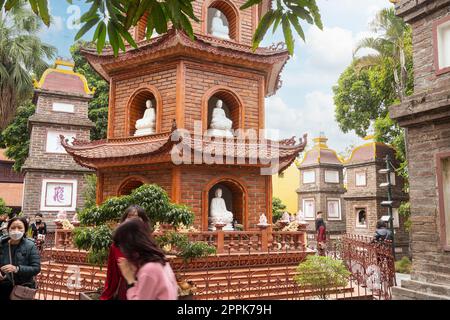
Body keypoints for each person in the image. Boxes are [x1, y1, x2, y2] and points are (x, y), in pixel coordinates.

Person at [114, 218, 178, 300]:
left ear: (129, 246)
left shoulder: (149, 270)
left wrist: (130, 280)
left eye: (121, 247)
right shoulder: (161, 260)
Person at [100, 205, 151, 300]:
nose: (133, 220)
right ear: (123, 222)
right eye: (130, 216)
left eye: (137, 217)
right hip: (125, 294)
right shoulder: (116, 247)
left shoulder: (150, 246)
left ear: (144, 222)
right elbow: (112, 277)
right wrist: (105, 298)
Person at [0, 217, 41, 300]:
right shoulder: (2, 244)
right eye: (13, 227)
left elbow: (36, 268)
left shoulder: (30, 246)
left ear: (25, 230)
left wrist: (17, 269)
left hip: (21, 289)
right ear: (8, 229)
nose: (16, 230)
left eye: (19, 227)